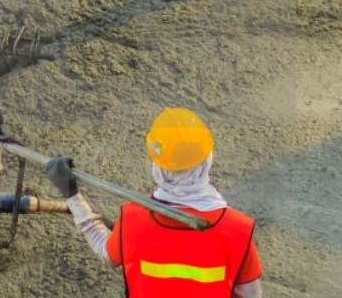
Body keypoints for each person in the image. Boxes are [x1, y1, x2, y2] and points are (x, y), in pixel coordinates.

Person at [47, 107, 264, 297]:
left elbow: (106, 253)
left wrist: (71, 194)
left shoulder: (133, 220)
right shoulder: (238, 231)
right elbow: (251, 295)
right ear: (207, 160)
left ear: (158, 167)